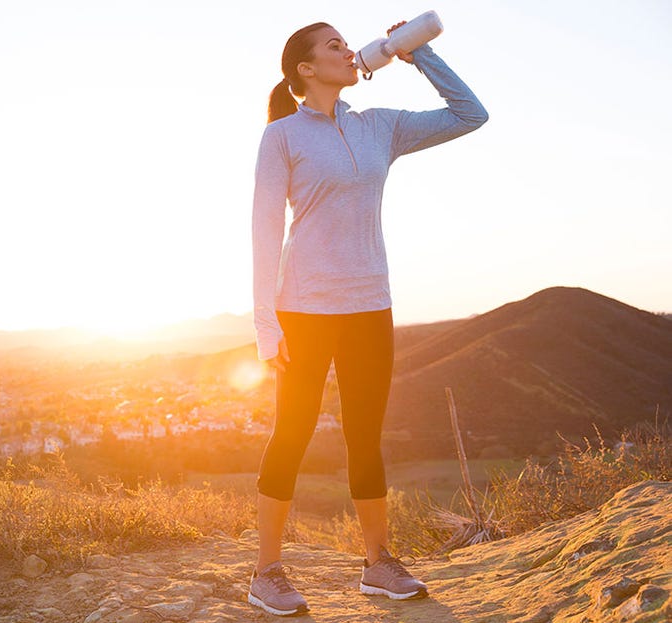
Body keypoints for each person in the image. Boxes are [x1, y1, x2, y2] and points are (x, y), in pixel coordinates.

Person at [248, 19, 488, 617]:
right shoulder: (281, 136)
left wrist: (419, 52)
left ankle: (377, 564)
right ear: (305, 69)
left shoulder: (379, 125)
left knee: (365, 436)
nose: (347, 49)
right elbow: (263, 229)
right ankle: (266, 571)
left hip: (369, 305)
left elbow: (470, 113)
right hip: (302, 309)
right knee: (293, 433)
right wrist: (264, 323)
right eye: (332, 45)